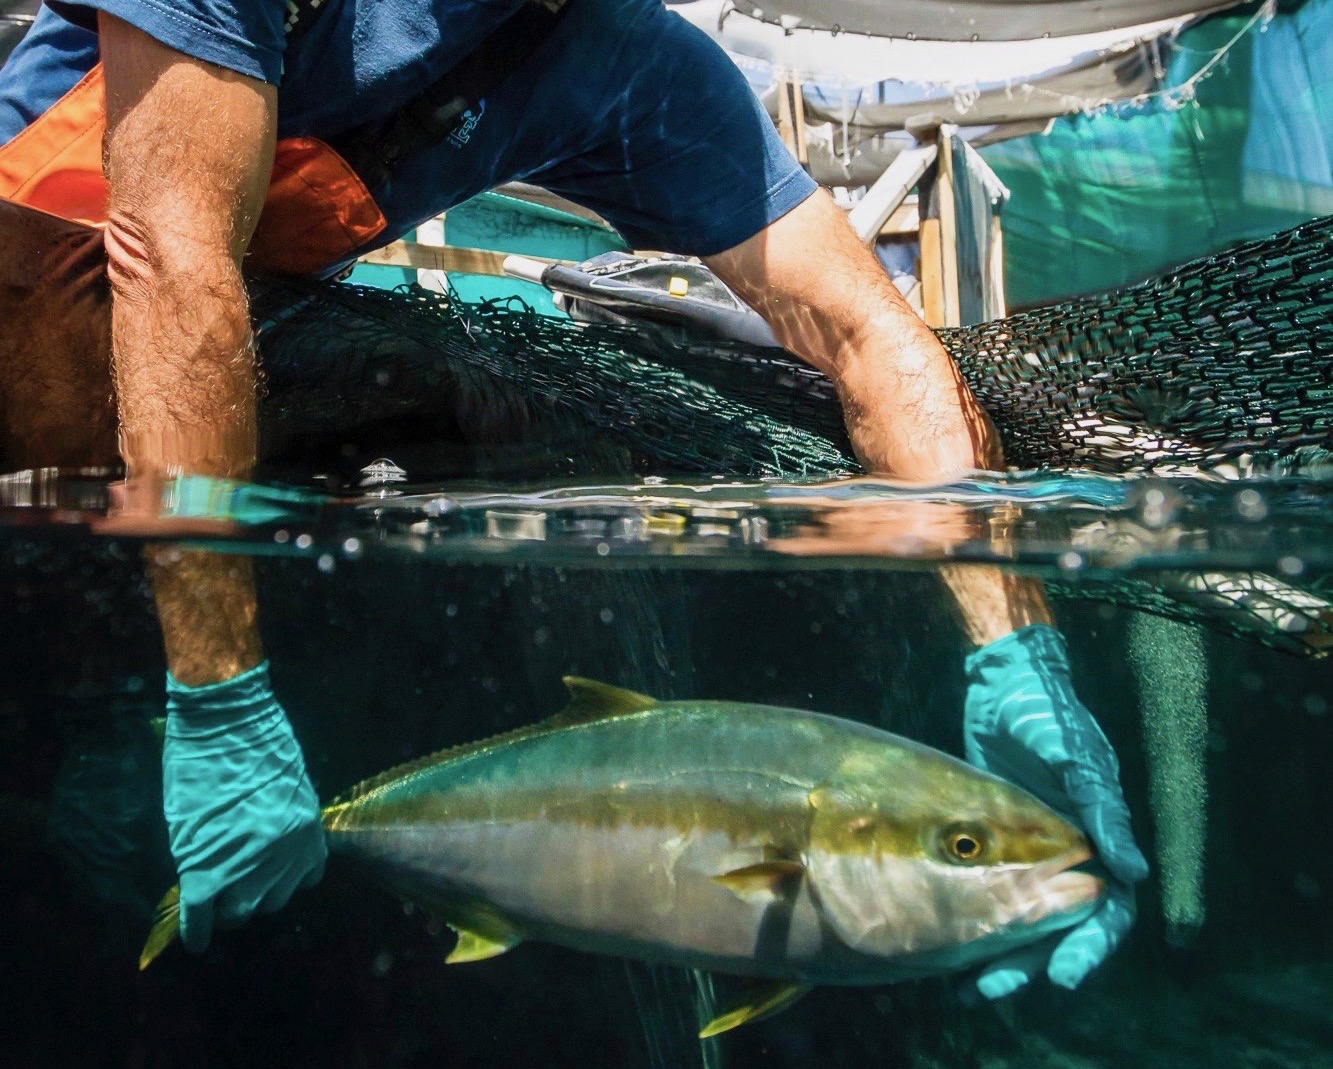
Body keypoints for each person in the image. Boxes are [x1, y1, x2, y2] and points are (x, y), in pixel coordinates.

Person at [0, 0, 1145, 998]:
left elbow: (872, 341)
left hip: (190, 450)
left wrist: (1015, 651)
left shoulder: (631, 63)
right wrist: (221, 700)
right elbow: (172, 263)